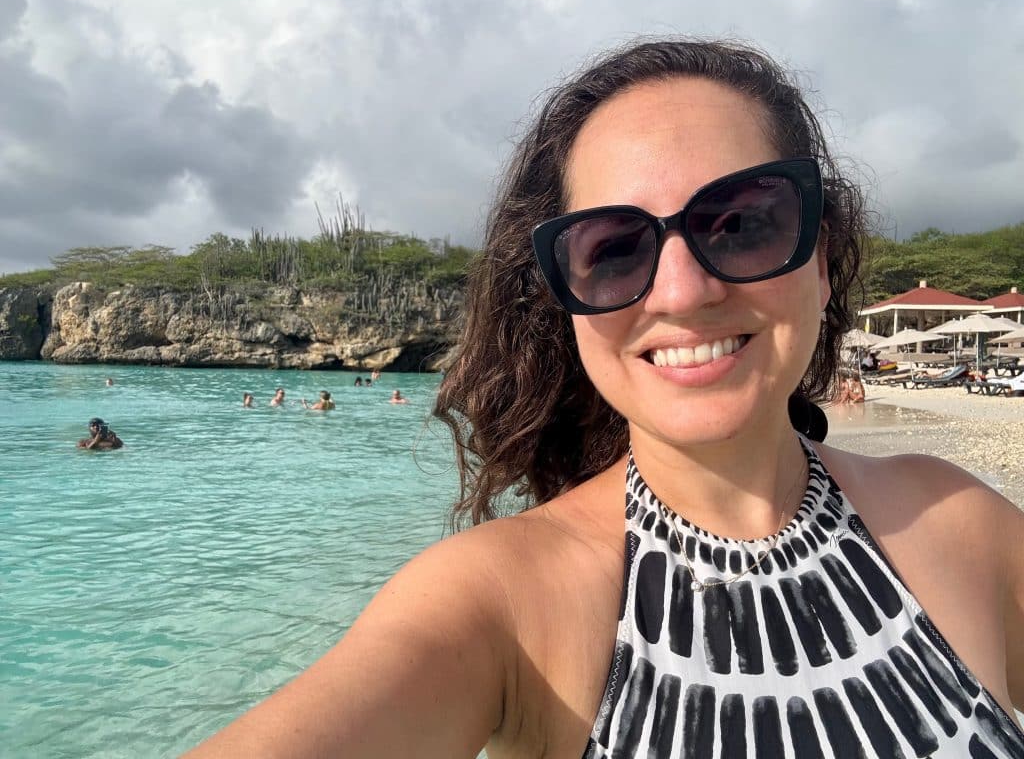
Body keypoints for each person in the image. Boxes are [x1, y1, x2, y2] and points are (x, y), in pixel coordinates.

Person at [186, 40, 1023, 758]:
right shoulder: (503, 605)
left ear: (822, 254)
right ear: (565, 298)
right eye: (615, 249)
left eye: (741, 222)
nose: (683, 291)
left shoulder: (958, 525)